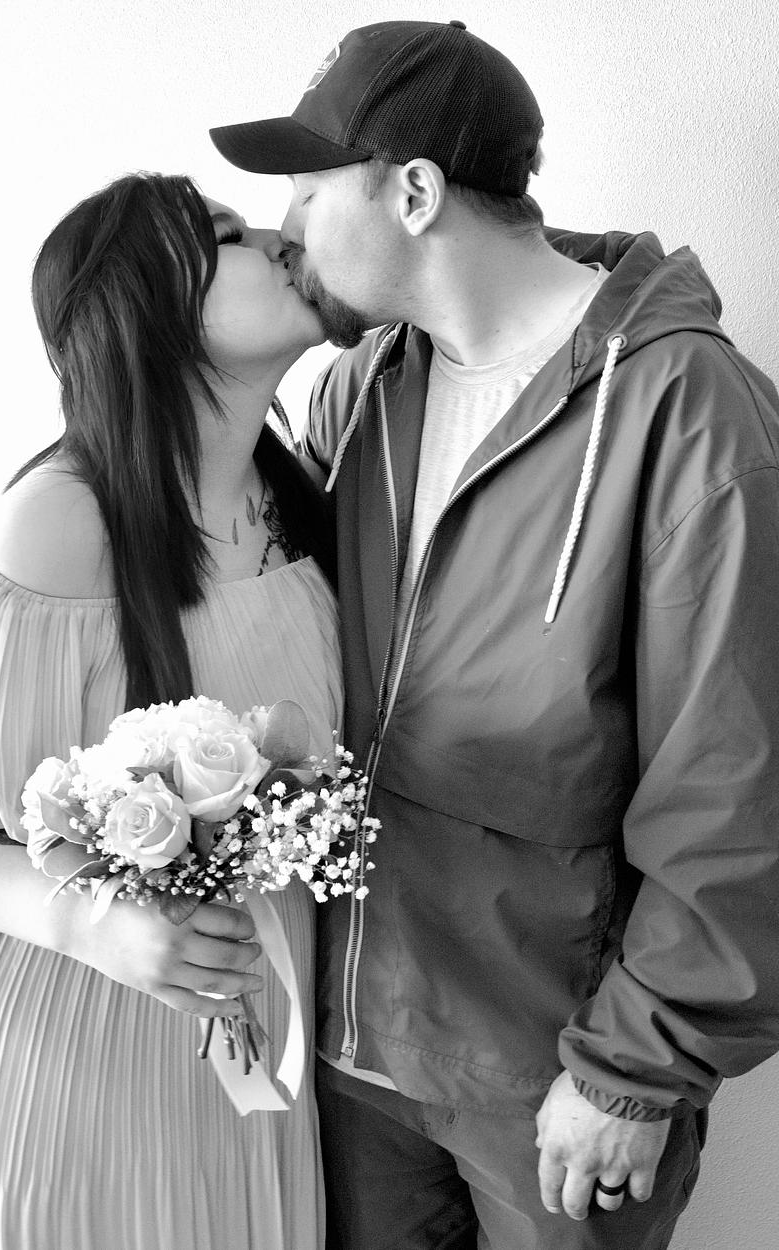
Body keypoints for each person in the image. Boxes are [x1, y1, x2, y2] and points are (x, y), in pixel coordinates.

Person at [210, 18, 779, 1250]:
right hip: (353, 1042)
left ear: (413, 192)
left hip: (552, 1068)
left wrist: (636, 1067)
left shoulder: (687, 411)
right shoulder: (362, 388)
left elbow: (736, 775)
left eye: (308, 187)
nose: (286, 225)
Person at [0, 171, 342, 1249]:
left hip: (233, 1027)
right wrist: (96, 927)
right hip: (50, 1035)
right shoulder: (54, 524)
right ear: (145, 303)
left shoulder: (300, 503)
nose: (279, 235)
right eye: (227, 234)